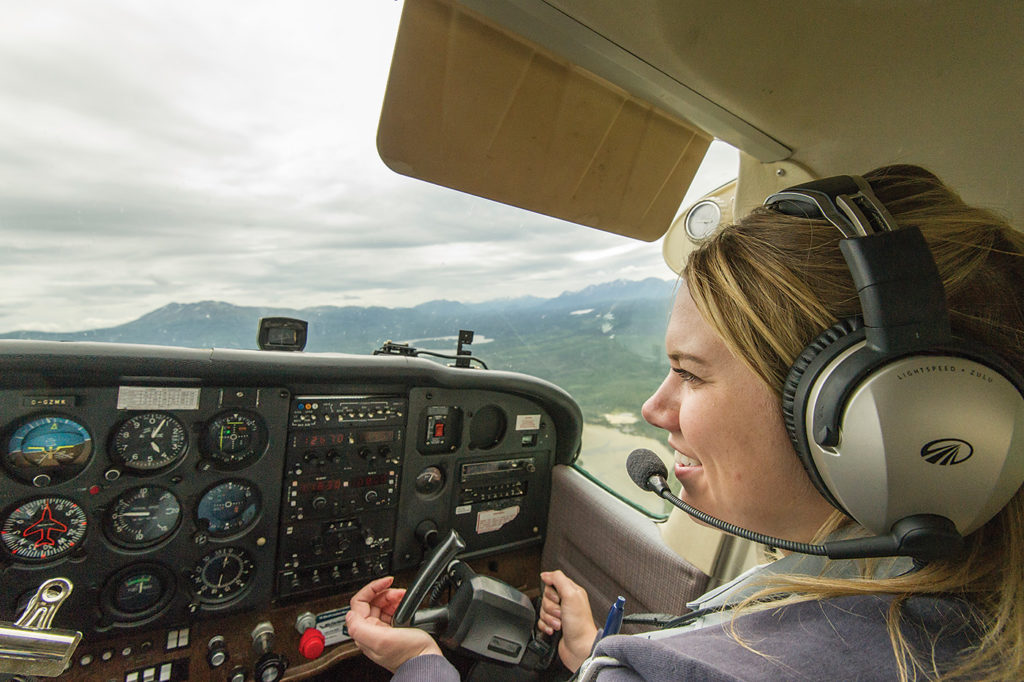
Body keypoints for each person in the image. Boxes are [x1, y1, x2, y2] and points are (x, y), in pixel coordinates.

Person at [346, 165, 1024, 680]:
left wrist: (419, 661)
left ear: (883, 414)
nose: (654, 408)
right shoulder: (969, 616)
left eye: (691, 373)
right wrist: (593, 653)